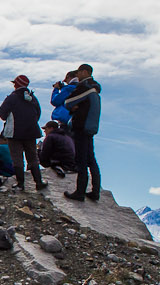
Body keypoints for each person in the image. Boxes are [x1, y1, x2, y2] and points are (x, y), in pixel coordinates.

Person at [0, 74, 47, 192]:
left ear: (16, 84)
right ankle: (39, 182)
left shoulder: (12, 97)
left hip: (14, 132)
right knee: (33, 157)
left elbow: (2, 114)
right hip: (31, 131)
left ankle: (20, 184)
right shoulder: (32, 98)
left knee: (17, 157)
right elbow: (38, 113)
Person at [63, 63, 102, 202]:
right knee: (91, 160)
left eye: (78, 72)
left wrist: (73, 108)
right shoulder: (96, 89)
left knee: (81, 160)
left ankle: (80, 192)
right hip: (90, 128)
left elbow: (67, 102)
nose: (77, 75)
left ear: (85, 72)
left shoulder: (84, 87)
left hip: (80, 126)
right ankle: (95, 191)